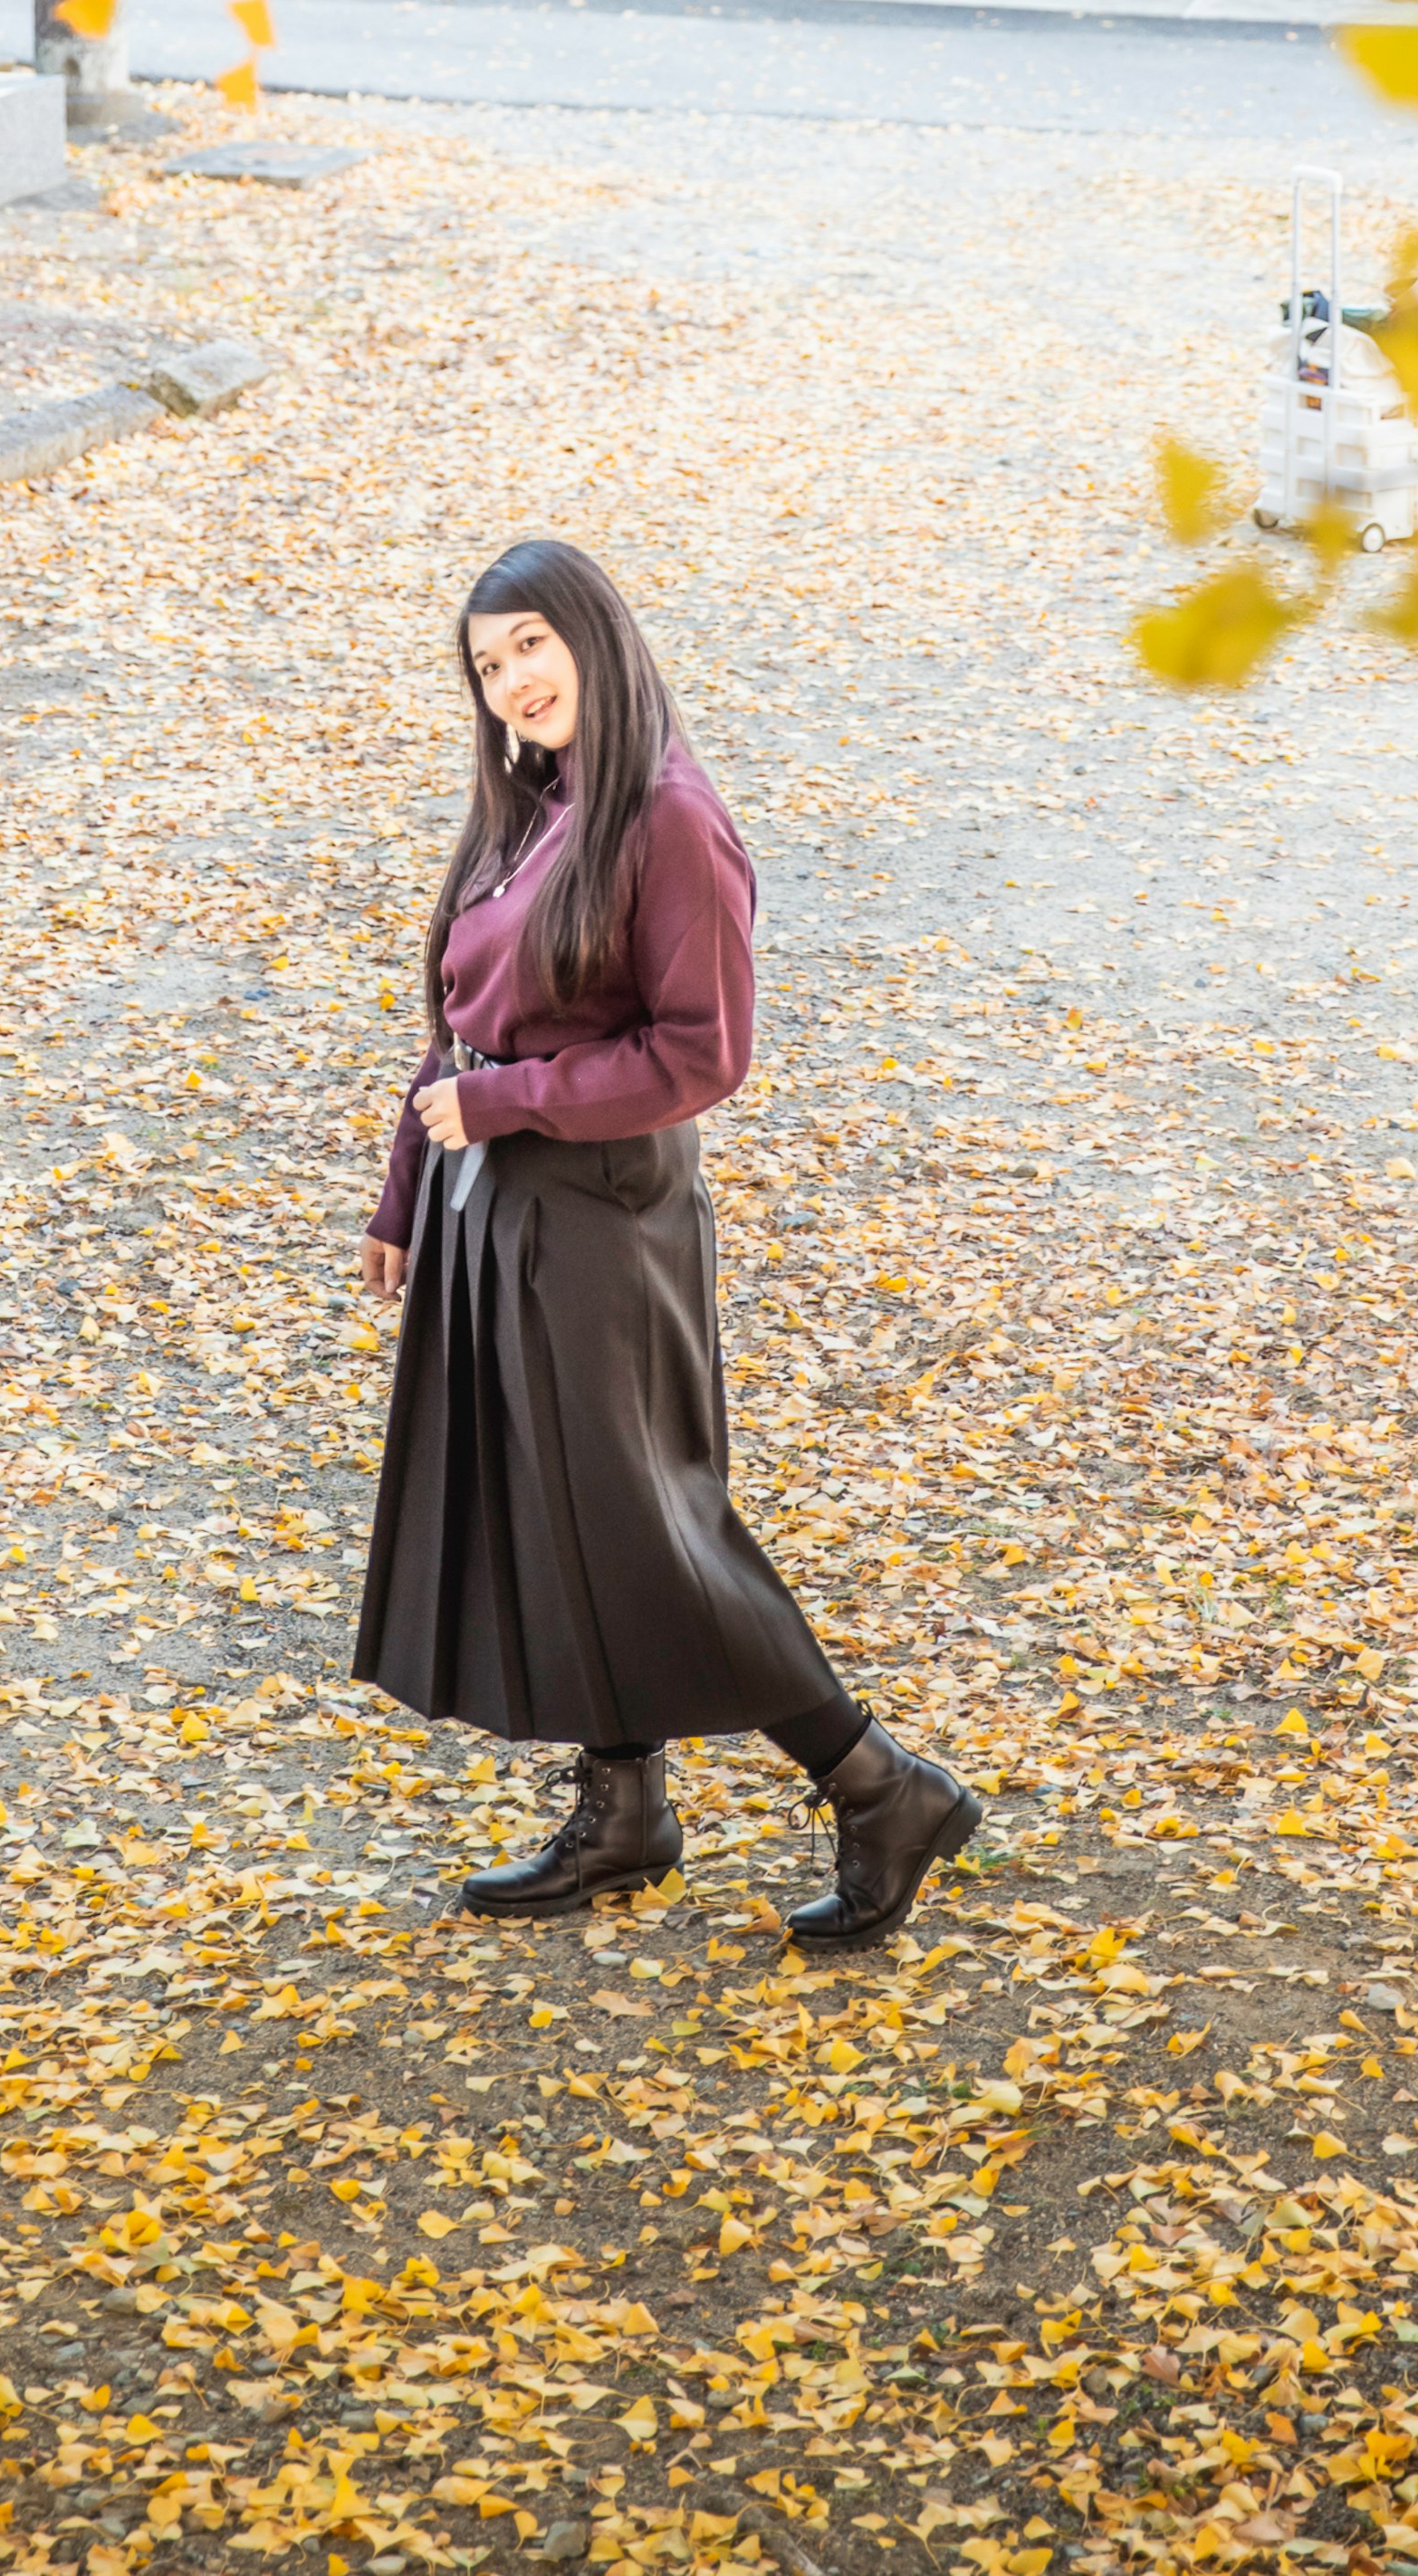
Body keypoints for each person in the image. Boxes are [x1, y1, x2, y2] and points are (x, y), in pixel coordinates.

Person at [351, 536, 978, 1947]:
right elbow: (458, 1020)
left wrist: (499, 1103)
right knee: (550, 1514)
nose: (510, 681)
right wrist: (408, 1184)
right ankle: (624, 1808)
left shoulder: (670, 819)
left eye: (528, 645)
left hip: (602, 1221)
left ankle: (880, 1784)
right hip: (497, 1206)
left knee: (654, 1526)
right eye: (485, 663)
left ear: (594, 633)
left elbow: (703, 1054)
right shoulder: (530, 806)